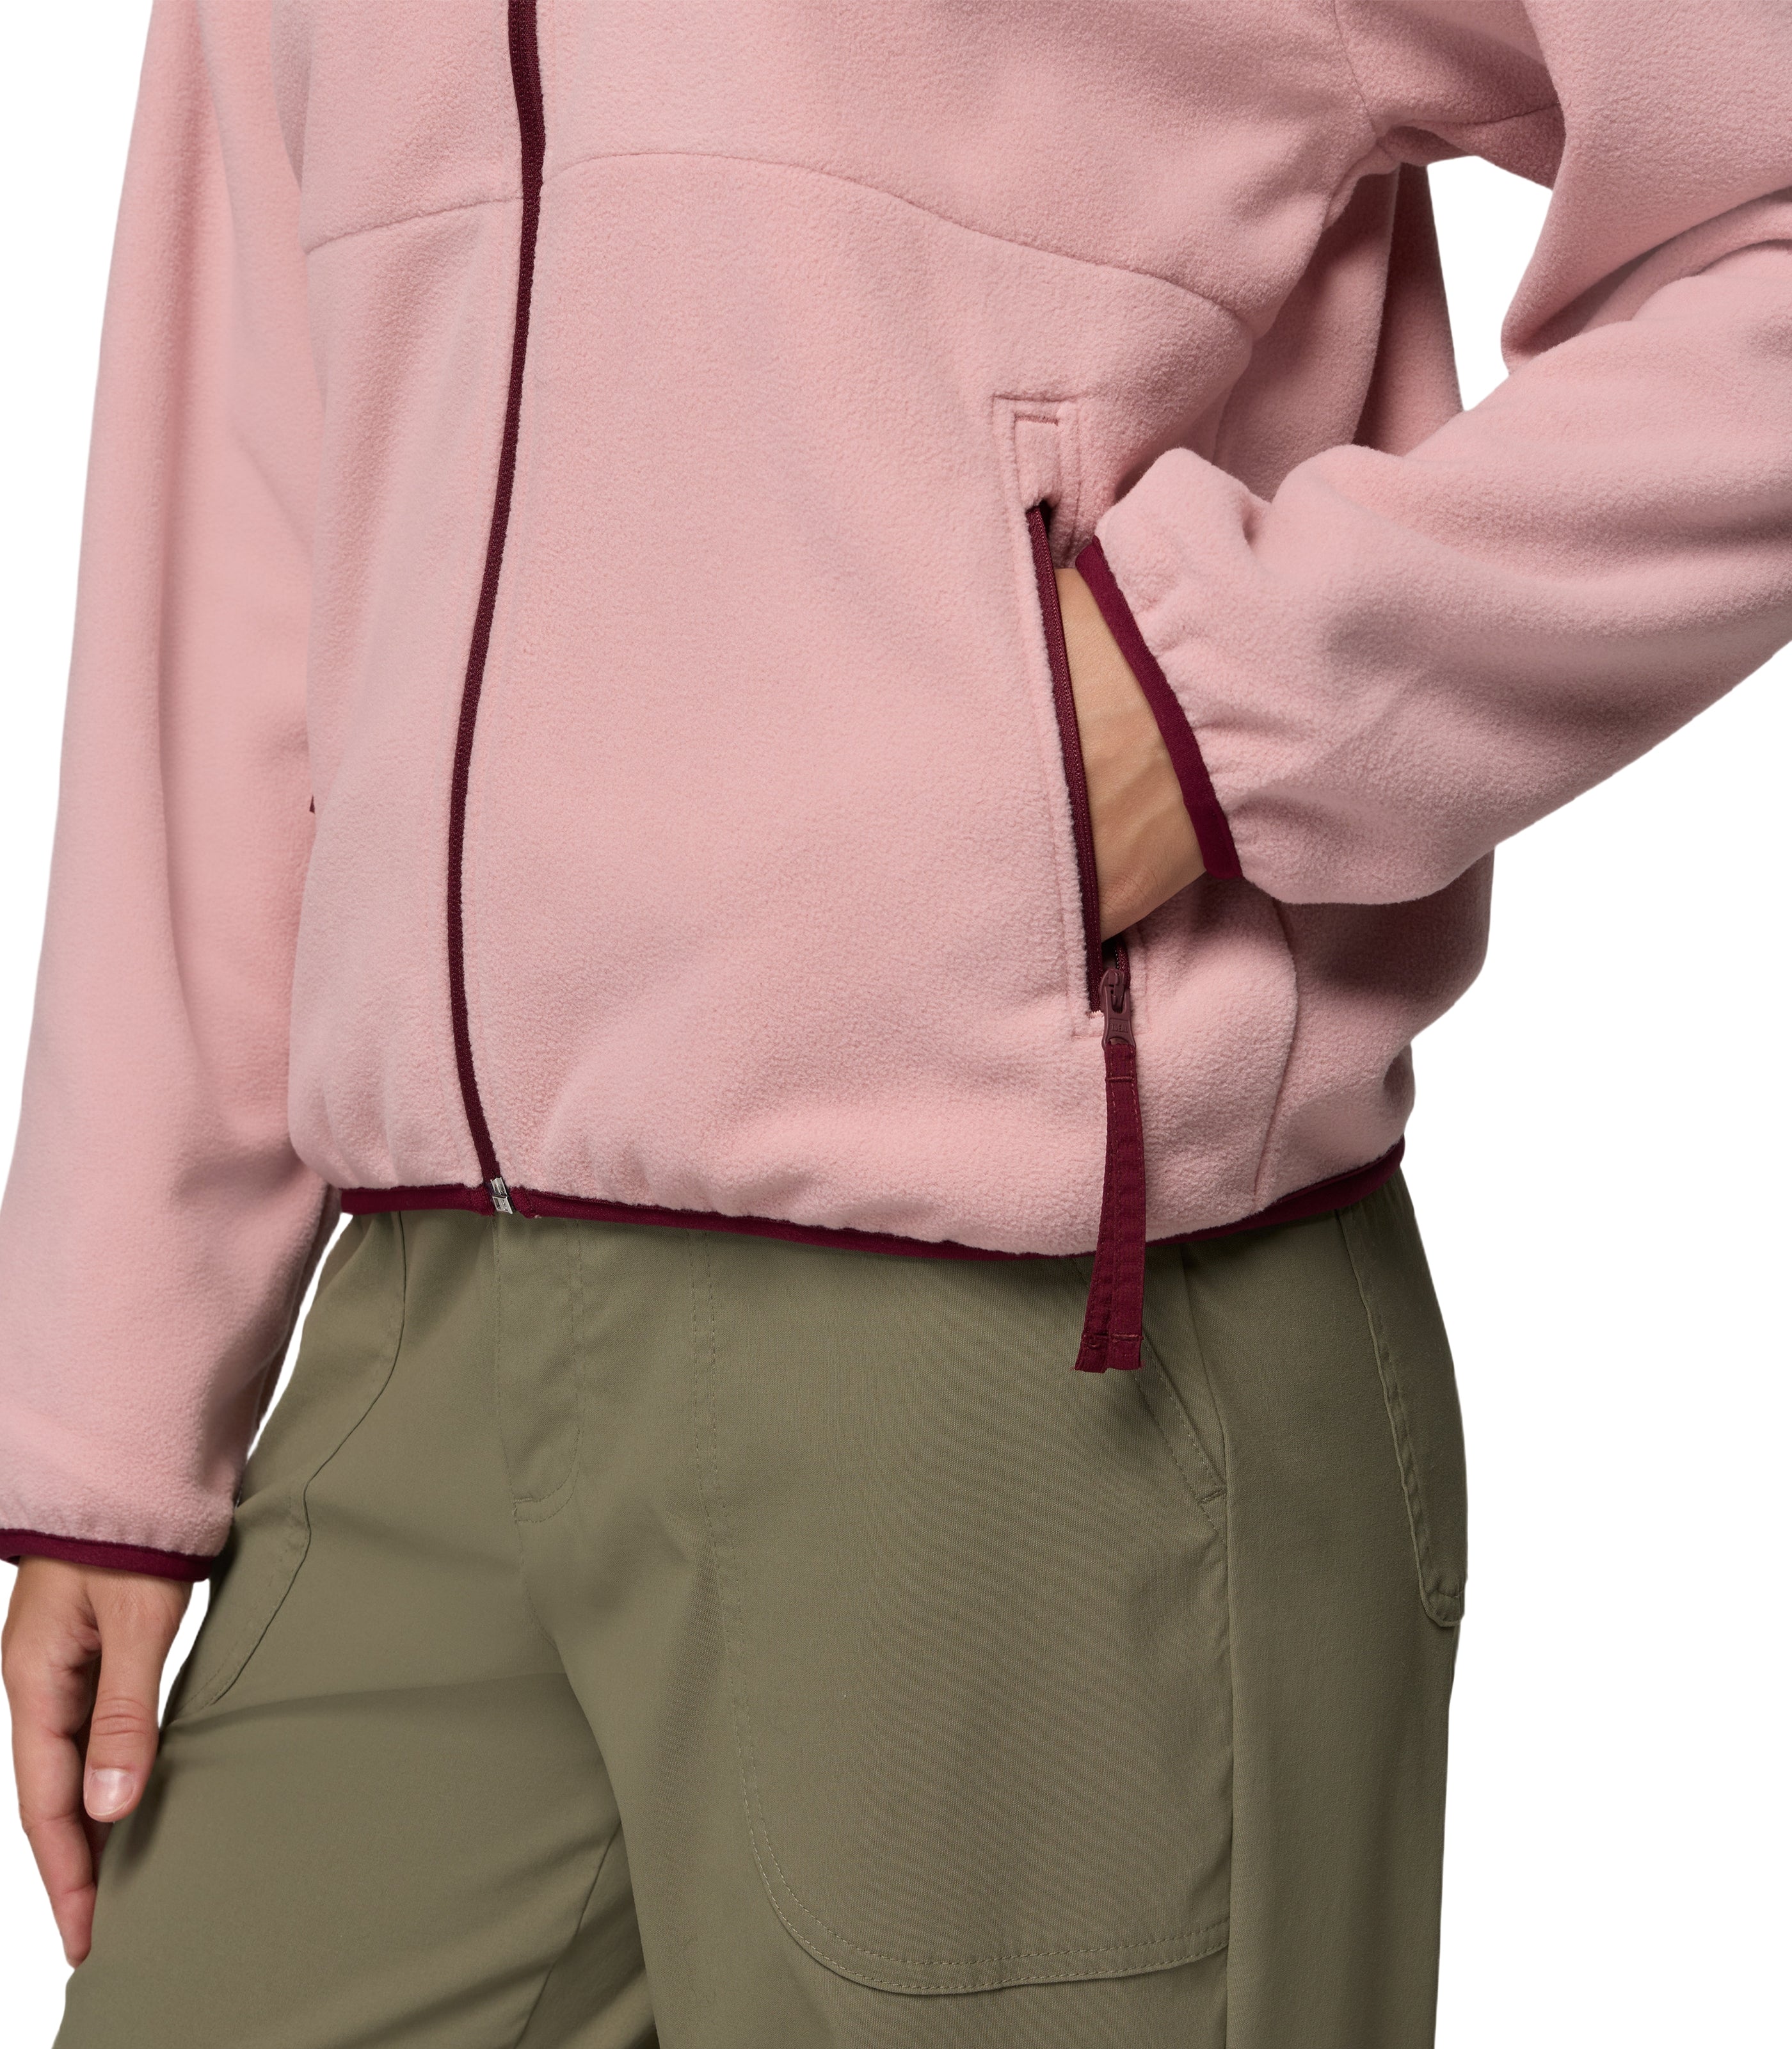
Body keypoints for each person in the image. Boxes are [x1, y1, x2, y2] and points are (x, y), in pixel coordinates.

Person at [3, 1, 1789, 2043]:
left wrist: (1193, 709)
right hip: (437, 1322)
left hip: (1024, 1348)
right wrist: (113, 1412)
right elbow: (245, 481)